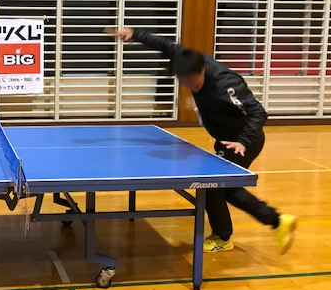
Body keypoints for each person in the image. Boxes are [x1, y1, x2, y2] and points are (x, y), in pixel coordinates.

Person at [106, 27, 296, 254]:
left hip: (241, 141)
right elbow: (166, 44)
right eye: (183, 81)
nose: (188, 86)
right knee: (224, 189)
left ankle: (227, 236)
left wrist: (243, 141)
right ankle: (276, 221)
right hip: (224, 138)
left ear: (201, 70)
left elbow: (258, 112)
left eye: (191, 82)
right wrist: (135, 34)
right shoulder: (188, 60)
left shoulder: (226, 84)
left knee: (212, 187)